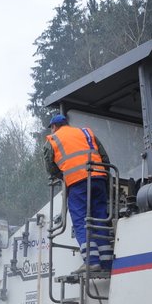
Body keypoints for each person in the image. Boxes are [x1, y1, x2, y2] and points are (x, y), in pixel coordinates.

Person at [43, 114, 113, 273]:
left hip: (77, 183)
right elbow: (104, 157)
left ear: (54, 127)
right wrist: (103, 177)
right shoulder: (86, 132)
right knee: (100, 218)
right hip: (99, 178)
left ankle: (92, 260)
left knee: (81, 221)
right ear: (67, 124)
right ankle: (107, 262)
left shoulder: (52, 140)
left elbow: (51, 168)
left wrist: (64, 177)